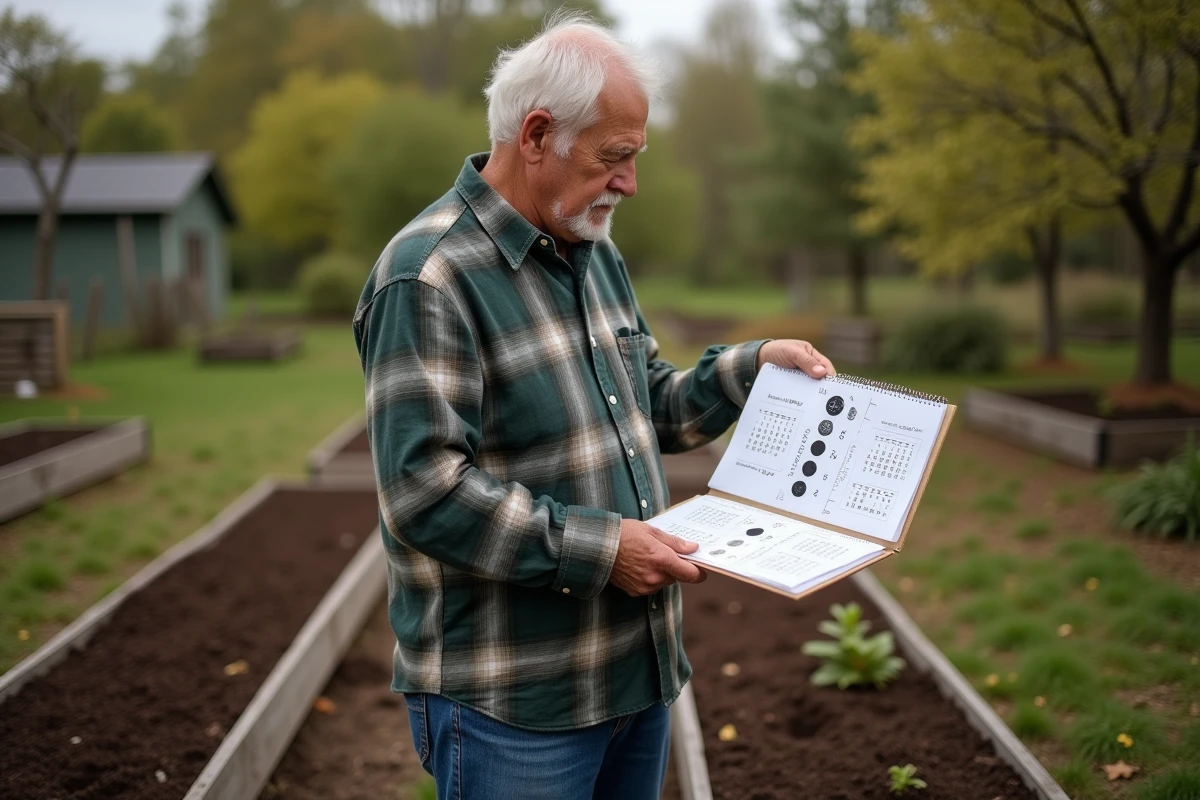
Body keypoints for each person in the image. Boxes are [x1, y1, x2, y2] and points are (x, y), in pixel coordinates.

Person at [351, 12, 836, 800]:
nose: (630, 183)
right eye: (615, 157)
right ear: (537, 134)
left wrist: (753, 368)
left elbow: (652, 404)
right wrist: (605, 550)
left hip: (633, 678)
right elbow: (424, 492)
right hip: (514, 704)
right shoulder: (428, 276)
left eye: (636, 157)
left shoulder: (591, 248)